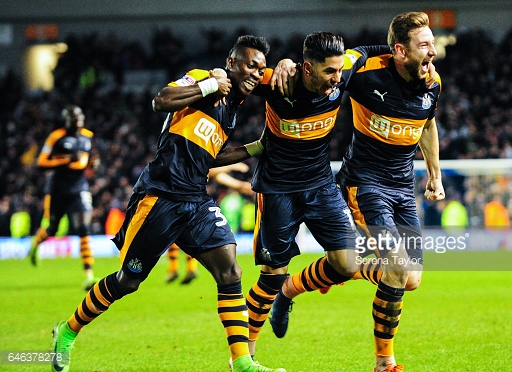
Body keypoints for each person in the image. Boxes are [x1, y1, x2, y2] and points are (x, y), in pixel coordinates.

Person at [50, 35, 285, 372]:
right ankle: (68, 332)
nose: (256, 73)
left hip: (195, 199)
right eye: (250, 65)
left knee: (230, 270)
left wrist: (256, 147)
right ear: (231, 63)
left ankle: (243, 362)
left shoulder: (231, 111)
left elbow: (209, 156)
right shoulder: (204, 78)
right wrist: (207, 87)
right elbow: (161, 100)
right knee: (127, 281)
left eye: (261, 69)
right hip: (160, 195)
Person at [271, 12, 445, 372]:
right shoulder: (364, 70)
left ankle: (289, 288)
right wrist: (288, 63)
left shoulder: (432, 82)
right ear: (399, 50)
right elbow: (323, 70)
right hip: (364, 185)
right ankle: (385, 363)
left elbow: (428, 125)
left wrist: (434, 175)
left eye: (432, 43)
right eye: (424, 45)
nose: (433, 52)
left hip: (401, 187)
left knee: (409, 280)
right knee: (396, 267)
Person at [240, 32, 392, 360]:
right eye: (329, 73)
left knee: (347, 264)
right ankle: (243, 358)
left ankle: (289, 291)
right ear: (307, 68)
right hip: (277, 190)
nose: (337, 79)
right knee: (270, 276)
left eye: (339, 71)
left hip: (322, 186)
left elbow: (368, 51)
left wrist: (407, 52)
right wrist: (222, 77)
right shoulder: (276, 81)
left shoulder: (342, 73)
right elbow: (237, 72)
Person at [28, 105, 99, 291]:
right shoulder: (56, 136)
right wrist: (66, 160)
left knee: (84, 227)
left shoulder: (88, 136)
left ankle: (88, 275)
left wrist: (94, 163)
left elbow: (88, 159)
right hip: (57, 189)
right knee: (52, 229)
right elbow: (41, 162)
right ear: (67, 120)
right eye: (73, 117)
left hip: (79, 188)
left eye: (79, 117)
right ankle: (36, 244)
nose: (77, 120)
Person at [165, 163, 254, 285]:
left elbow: (215, 174)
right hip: (180, 199)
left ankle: (180, 269)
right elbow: (210, 172)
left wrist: (239, 185)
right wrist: (231, 166)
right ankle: (181, 269)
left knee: (179, 236)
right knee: (182, 236)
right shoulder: (192, 155)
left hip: (182, 201)